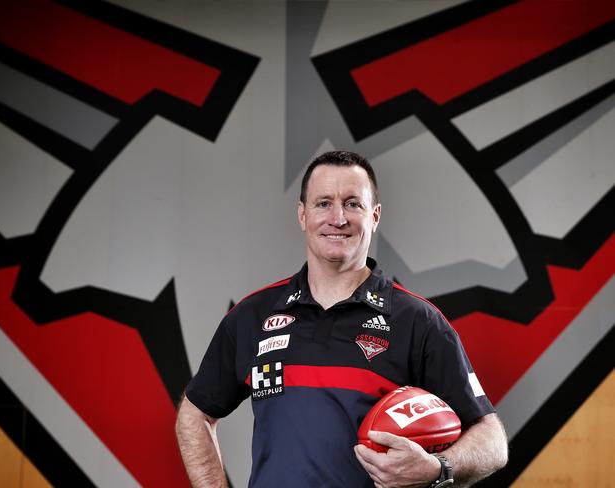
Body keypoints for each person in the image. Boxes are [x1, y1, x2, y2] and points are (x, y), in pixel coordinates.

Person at [176, 151, 508, 487]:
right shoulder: (253, 316)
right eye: (323, 203)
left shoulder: (418, 321)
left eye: (353, 204)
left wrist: (439, 468)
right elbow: (195, 414)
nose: (338, 218)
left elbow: (491, 441)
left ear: (375, 216)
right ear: (302, 215)